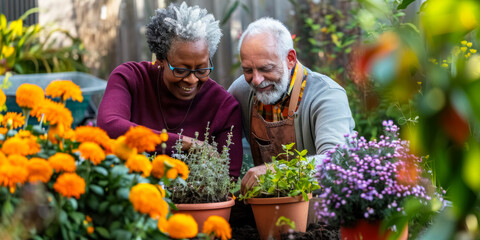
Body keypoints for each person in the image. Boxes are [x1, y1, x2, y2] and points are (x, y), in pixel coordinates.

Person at [97, 2, 243, 178]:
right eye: (181, 70)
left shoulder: (224, 107)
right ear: (160, 61)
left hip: (192, 204)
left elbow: (229, 177)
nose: (192, 79)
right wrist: (185, 143)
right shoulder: (130, 78)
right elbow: (109, 125)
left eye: (201, 69)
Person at [228, 17, 355, 194]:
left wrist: (275, 172)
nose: (256, 80)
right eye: (248, 70)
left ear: (290, 59)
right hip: (265, 209)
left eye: (266, 68)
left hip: (323, 211)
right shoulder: (240, 91)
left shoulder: (327, 95)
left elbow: (335, 161)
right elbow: (220, 142)